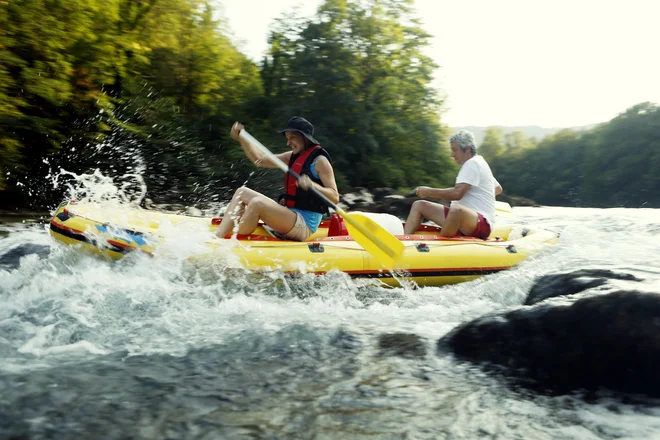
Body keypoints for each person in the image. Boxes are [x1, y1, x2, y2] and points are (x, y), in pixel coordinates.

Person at [215, 116, 339, 241]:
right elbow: (259, 160)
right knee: (241, 192)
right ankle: (218, 236)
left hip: (304, 224)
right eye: (287, 138)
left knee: (257, 203)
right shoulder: (291, 156)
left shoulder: (320, 162)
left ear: (304, 138)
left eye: (292, 138)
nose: (288, 143)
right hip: (289, 216)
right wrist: (242, 138)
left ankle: (235, 241)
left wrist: (312, 185)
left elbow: (335, 197)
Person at [404, 130, 503, 238]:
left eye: (455, 150)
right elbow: (498, 189)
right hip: (461, 219)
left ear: (468, 149)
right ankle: (405, 239)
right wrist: (480, 199)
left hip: (480, 223)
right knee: (419, 205)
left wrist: (428, 191)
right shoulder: (479, 163)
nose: (452, 154)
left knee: (457, 210)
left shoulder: (473, 163)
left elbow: (457, 193)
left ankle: (442, 244)